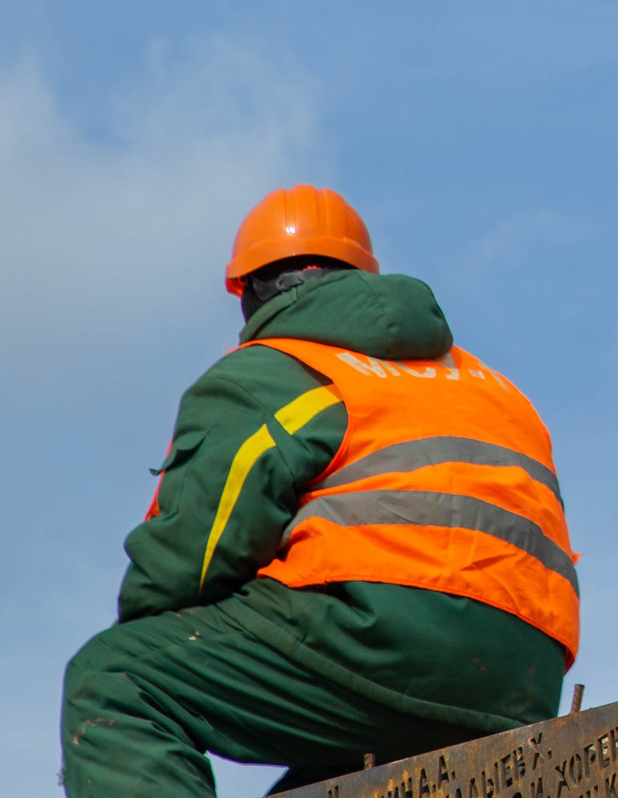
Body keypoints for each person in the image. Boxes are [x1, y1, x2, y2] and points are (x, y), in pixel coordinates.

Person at [61, 186, 576, 795]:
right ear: (361, 277)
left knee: (113, 678)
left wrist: (158, 638)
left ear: (251, 292)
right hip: (523, 677)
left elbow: (198, 548)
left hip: (378, 634)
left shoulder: (272, 369)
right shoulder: (490, 385)